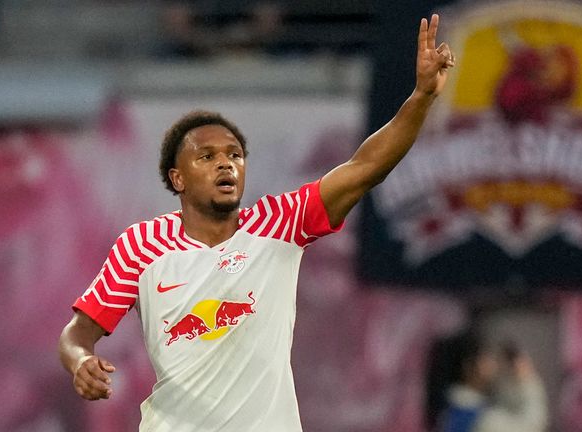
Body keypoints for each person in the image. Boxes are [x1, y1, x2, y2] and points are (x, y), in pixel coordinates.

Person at [58, 14, 454, 431]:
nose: (225, 163)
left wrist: (422, 97)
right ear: (178, 178)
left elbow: (365, 167)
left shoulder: (278, 223)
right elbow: (77, 332)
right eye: (206, 157)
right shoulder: (140, 244)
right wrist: (81, 360)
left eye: (234, 154)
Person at [437, 333, 548, 432]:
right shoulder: (484, 421)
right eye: (486, 358)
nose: (494, 365)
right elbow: (532, 427)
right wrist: (527, 379)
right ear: (469, 367)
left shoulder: (451, 411)